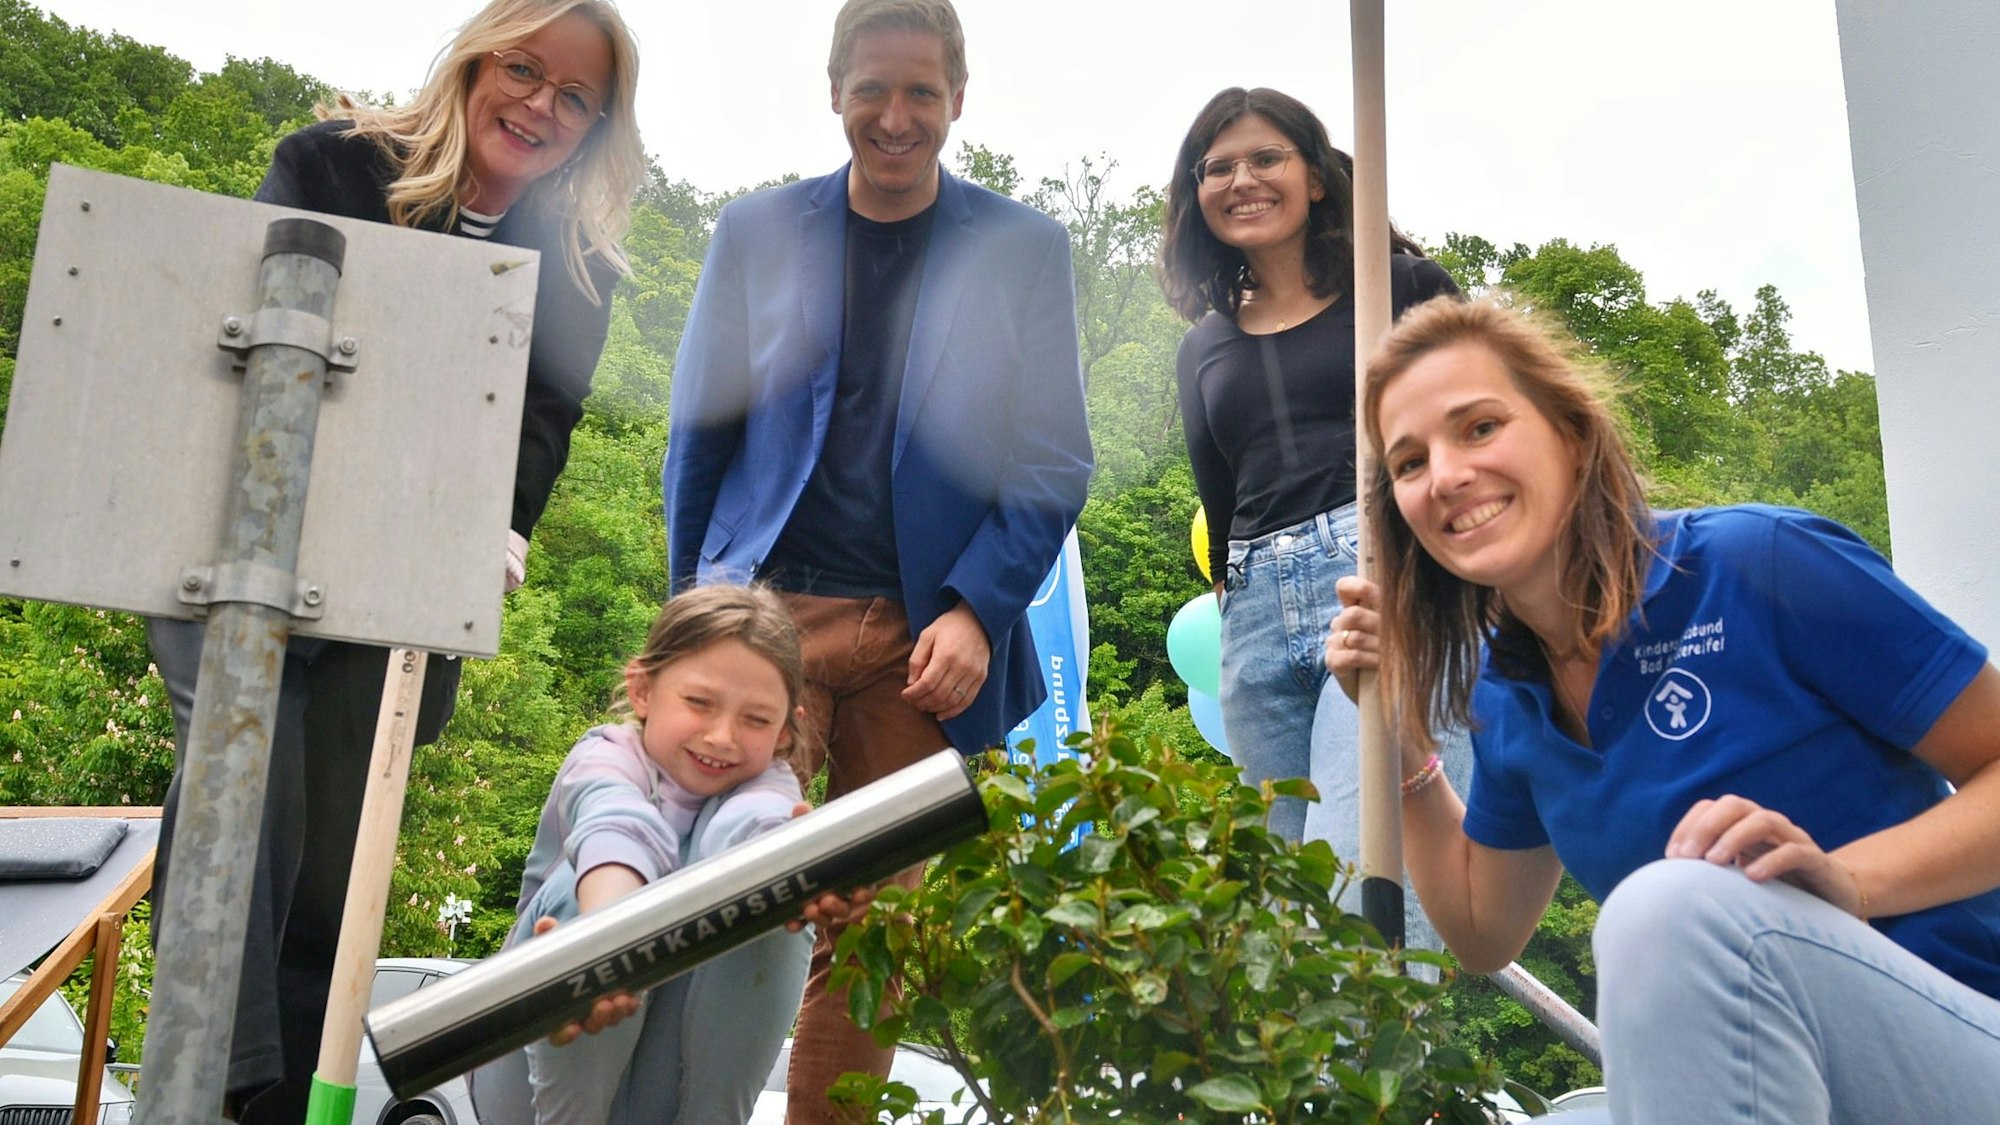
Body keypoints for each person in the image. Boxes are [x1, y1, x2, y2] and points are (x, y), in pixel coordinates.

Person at [145, 1, 645, 1119]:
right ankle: (219, 1087)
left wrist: (496, 530)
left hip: (396, 576)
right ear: (475, 62)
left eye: (576, 97)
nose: (542, 106)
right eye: (525, 70)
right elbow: (255, 327)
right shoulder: (330, 163)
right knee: (247, 764)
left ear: (598, 126)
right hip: (240, 541)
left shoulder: (574, 264)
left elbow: (541, 419)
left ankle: (278, 1097)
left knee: (334, 858)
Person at [1330, 297, 2000, 1123]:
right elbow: (1481, 932)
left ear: (1572, 434)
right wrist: (1399, 742)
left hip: (1966, 1043)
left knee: (1665, 907)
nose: (1445, 475)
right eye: (1409, 462)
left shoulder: (1759, 564)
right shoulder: (1504, 694)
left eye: (1480, 427)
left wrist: (1852, 881)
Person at [662, 1, 1094, 1118]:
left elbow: (1052, 461)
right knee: (717, 897)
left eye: (919, 93)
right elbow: (699, 435)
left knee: (871, 947)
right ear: (834, 93)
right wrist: (686, 621)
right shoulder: (756, 231)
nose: (895, 117)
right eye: (871, 91)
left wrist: (977, 610)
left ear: (958, 98)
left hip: (923, 643)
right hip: (766, 622)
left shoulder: (1023, 250)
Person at [1157, 87, 1468, 943]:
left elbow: (1481, 430)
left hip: (1380, 574)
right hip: (1254, 615)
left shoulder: (1402, 287)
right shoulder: (1202, 347)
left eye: (1266, 158)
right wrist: (1232, 601)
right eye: (1218, 167)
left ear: (1318, 177)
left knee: (1365, 887)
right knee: (1278, 915)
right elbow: (1221, 502)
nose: (1241, 180)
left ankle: (1386, 1037)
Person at [504, 584, 815, 1124]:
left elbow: (751, 830)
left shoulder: (770, 789)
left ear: (786, 732)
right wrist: (604, 947)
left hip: (667, 1091)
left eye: (757, 720)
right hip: (542, 1059)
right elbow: (615, 823)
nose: (722, 737)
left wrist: (808, 871)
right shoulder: (605, 756)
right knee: (584, 888)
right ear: (643, 690)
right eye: (699, 703)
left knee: (775, 897)